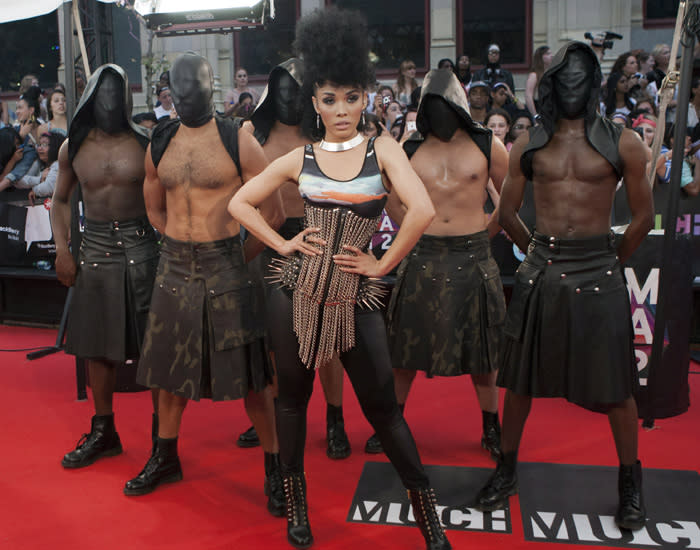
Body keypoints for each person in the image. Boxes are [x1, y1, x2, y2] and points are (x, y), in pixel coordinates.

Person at [228, 8, 451, 550]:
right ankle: (296, 511)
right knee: (290, 404)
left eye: (351, 97)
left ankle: (430, 522)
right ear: (314, 102)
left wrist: (381, 263)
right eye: (330, 99)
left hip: (356, 293)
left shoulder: (385, 150)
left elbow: (420, 210)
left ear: (366, 97)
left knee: (383, 411)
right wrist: (283, 243)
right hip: (296, 291)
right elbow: (240, 202)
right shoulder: (299, 157)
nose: (342, 109)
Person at [475, 42, 652, 533]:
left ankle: (629, 483)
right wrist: (538, 252)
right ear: (550, 84)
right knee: (521, 382)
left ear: (594, 83)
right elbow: (506, 212)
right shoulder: (531, 143)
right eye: (563, 78)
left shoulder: (623, 141)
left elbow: (644, 217)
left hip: (599, 267)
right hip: (543, 266)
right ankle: (506, 470)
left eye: (581, 78)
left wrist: (609, 261)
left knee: (617, 387)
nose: (572, 86)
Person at [123, 53, 285, 518]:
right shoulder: (161, 140)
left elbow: (271, 213)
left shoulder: (239, 140)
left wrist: (236, 256)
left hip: (227, 266)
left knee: (255, 379)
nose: (188, 96)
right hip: (174, 267)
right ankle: (166, 456)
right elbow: (152, 204)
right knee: (168, 374)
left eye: (197, 89)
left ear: (210, 88)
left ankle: (274, 470)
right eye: (180, 90)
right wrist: (175, 243)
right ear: (170, 93)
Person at [376, 69, 508, 463]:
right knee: (405, 349)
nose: (439, 113)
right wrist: (411, 229)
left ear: (459, 106)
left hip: (473, 253)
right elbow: (387, 192)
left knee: (482, 351)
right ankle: (392, 423)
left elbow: (511, 195)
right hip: (424, 253)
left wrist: (487, 231)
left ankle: (491, 425)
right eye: (430, 106)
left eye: (445, 105)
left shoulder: (488, 144)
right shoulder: (410, 146)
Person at [236, 58, 353, 460]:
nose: (287, 98)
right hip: (266, 241)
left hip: (318, 236)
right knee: (268, 338)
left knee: (326, 337)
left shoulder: (325, 135)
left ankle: (335, 418)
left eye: (294, 92)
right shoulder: (252, 133)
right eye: (281, 91)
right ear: (271, 94)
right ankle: (267, 417)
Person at [50, 64, 160, 470]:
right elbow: (61, 200)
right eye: (104, 93)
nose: (110, 101)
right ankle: (103, 430)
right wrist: (63, 249)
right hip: (93, 248)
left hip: (144, 247)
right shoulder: (73, 147)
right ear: (92, 97)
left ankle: (162, 442)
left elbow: (164, 201)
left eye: (118, 94)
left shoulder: (146, 142)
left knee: (154, 346)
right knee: (97, 347)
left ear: (128, 99)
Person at [0, 86, 41, 191]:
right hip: (12, 179)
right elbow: (4, 157)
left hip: (36, 179)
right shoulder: (13, 130)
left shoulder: (43, 127)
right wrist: (21, 136)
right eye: (16, 108)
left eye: (20, 108)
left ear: (31, 110)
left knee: (31, 151)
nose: (17, 111)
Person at [16, 131, 65, 200]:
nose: (39, 148)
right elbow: (17, 180)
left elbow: (48, 187)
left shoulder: (58, 164)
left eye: (45, 145)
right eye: (39, 144)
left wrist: (35, 190)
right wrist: (40, 178)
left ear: (56, 147)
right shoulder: (38, 163)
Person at [524, 45, 553, 118]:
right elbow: (528, 95)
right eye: (547, 54)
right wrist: (535, 114)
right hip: (539, 107)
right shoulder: (534, 75)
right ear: (541, 57)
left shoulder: (551, 73)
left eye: (551, 53)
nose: (551, 56)